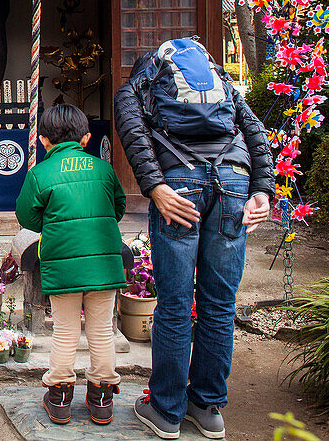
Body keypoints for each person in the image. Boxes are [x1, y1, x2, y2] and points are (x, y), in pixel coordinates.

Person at [114, 37, 273, 439]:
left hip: (179, 186)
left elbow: (132, 130)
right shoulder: (219, 79)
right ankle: (207, 408)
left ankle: (166, 410)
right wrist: (262, 189)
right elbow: (253, 128)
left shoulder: (138, 82)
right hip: (235, 184)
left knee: (175, 302)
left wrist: (155, 186)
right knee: (219, 304)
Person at [16, 103, 127, 426]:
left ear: (45, 141)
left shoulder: (41, 173)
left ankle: (61, 398)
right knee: (102, 330)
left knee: (65, 330)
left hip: (62, 263)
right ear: (86, 138)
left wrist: (53, 224)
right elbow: (117, 208)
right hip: (104, 264)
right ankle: (102, 398)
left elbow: (26, 217)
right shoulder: (104, 170)